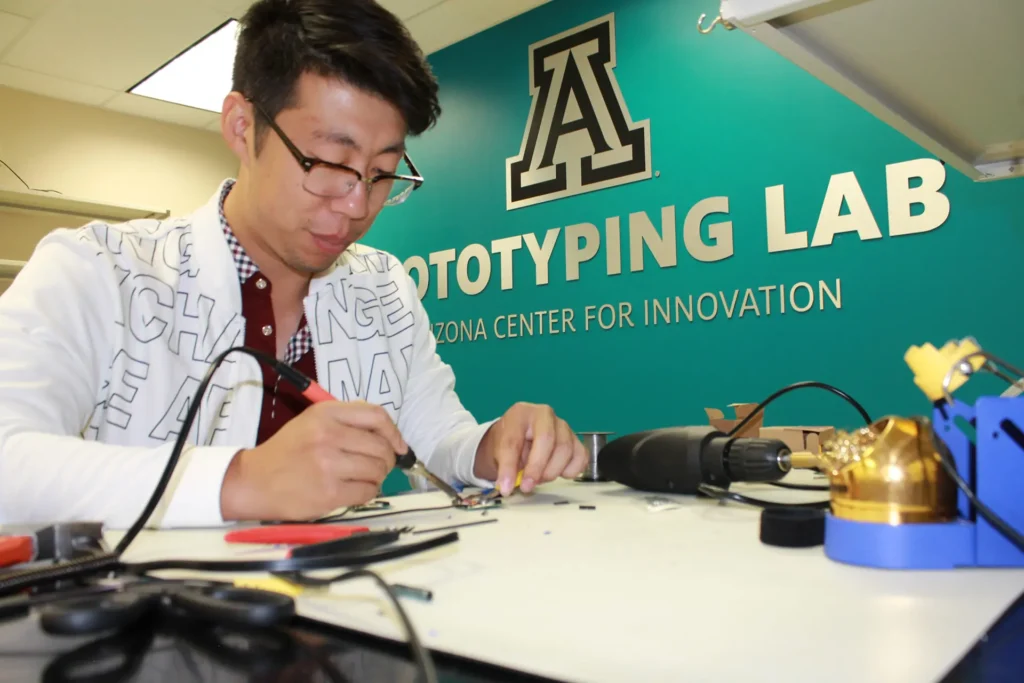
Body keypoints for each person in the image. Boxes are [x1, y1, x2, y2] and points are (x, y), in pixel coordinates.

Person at [0, 0, 586, 529]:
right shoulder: (98, 269)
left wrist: (490, 448)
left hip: (351, 624)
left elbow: (433, 441)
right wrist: (242, 481)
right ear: (241, 125)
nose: (357, 205)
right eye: (330, 162)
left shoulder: (381, 286)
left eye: (383, 172)